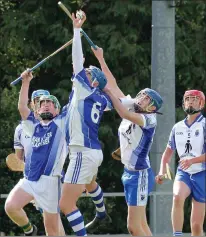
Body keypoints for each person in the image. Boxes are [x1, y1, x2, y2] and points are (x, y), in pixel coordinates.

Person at [91, 46, 163, 236]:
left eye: (146, 99)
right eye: (141, 95)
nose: (141, 99)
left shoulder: (149, 119)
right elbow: (113, 84)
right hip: (129, 172)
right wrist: (101, 58)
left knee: (133, 227)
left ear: (153, 107)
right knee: (143, 226)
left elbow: (121, 111)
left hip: (139, 174)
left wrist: (106, 90)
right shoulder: (134, 106)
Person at [59, 12, 112, 236]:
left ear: (92, 81)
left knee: (65, 204)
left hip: (82, 152)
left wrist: (77, 31)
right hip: (92, 151)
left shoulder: (84, 89)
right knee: (90, 183)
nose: (82, 72)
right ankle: (101, 212)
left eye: (87, 72)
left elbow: (76, 61)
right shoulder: (99, 98)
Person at [5, 71, 70, 236]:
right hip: (30, 180)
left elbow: (75, 102)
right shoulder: (30, 126)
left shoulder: (62, 123)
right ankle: (30, 231)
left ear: (57, 109)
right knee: (10, 206)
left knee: (53, 230)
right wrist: (25, 81)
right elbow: (21, 107)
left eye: (50, 102)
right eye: (42, 103)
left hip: (50, 183)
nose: (46, 104)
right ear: (36, 109)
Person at [155, 90, 205, 236]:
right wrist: (161, 171)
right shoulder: (177, 127)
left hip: (202, 174)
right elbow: (168, 152)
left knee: (196, 227)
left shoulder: (204, 125)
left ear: (201, 103)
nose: (190, 102)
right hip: (183, 173)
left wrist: (192, 161)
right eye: (188, 99)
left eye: (194, 99)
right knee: (177, 197)